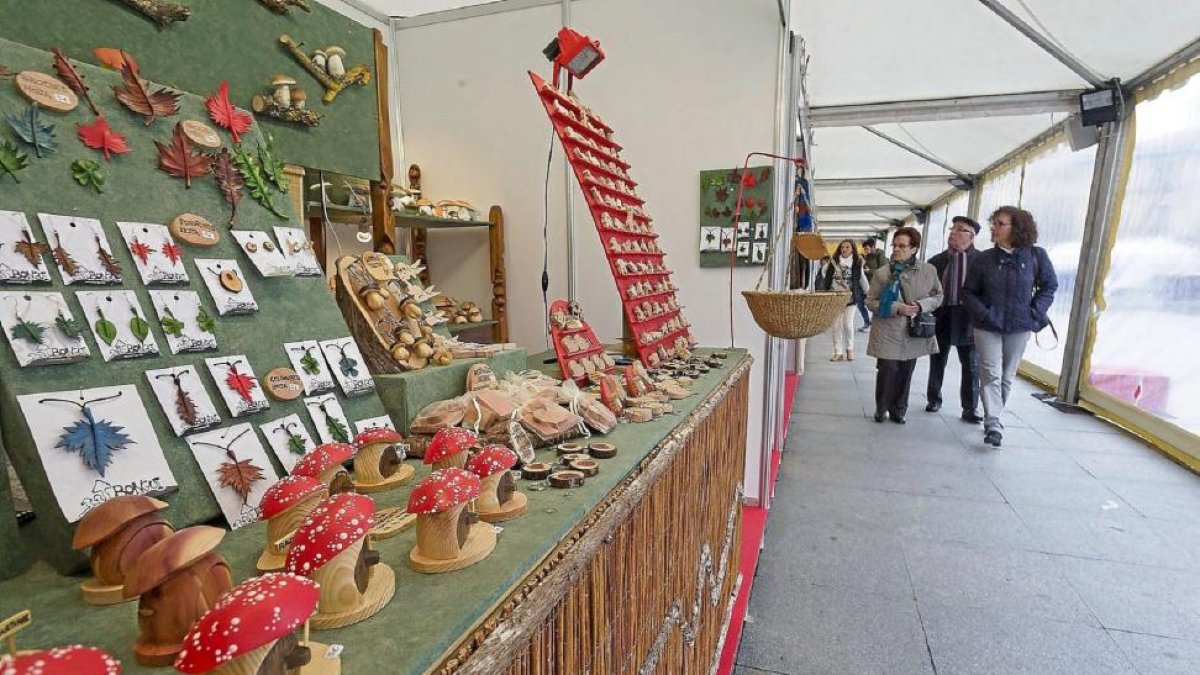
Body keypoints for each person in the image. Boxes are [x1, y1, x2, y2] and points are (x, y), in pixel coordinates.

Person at [961, 206, 1058, 447]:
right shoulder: (984, 259)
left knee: (1006, 375)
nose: (993, 227)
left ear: (1016, 228)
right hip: (987, 325)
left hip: (1020, 325)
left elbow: (1049, 286)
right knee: (990, 372)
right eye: (993, 223)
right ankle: (994, 423)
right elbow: (968, 292)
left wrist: (1034, 312)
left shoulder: (1036, 256)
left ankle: (994, 417)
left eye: (1000, 223)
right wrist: (984, 313)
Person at [867, 227, 943, 423]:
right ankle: (881, 408)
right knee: (887, 368)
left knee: (906, 370)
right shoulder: (882, 273)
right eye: (895, 245)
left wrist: (920, 305)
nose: (896, 249)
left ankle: (899, 410)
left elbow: (938, 296)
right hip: (887, 328)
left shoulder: (928, 271)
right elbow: (871, 301)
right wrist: (896, 307)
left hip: (913, 329)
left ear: (914, 249)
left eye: (902, 246)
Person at [926, 216, 983, 423]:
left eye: (960, 230)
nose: (953, 233)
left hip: (969, 318)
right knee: (937, 359)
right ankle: (934, 399)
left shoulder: (981, 261)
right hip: (942, 315)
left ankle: (970, 408)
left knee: (971, 364)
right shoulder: (937, 261)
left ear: (972, 236)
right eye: (952, 229)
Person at [817, 240, 869, 361]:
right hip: (835, 298)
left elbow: (862, 278)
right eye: (842, 247)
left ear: (852, 249)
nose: (844, 249)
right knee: (836, 325)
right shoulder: (833, 262)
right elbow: (824, 271)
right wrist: (830, 284)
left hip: (850, 298)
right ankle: (838, 352)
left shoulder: (857, 263)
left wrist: (868, 292)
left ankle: (850, 349)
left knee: (848, 325)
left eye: (847, 247)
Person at [859, 238, 889, 332]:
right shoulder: (867, 256)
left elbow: (883, 271)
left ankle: (873, 325)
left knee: (875, 305)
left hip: (878, 286)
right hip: (866, 285)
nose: (866, 251)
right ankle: (867, 323)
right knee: (860, 303)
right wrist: (863, 264)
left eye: (867, 249)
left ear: (873, 247)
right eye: (865, 249)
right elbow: (865, 269)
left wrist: (869, 271)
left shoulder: (880, 255)